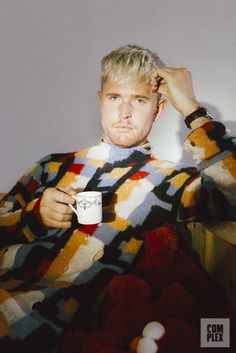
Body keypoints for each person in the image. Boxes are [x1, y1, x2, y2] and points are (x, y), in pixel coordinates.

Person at [0, 44, 235, 352]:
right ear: (101, 102)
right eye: (115, 98)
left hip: (46, 323)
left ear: (159, 109)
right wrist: (34, 215)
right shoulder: (52, 165)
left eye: (138, 100)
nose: (124, 113)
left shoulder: (170, 182)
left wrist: (192, 108)